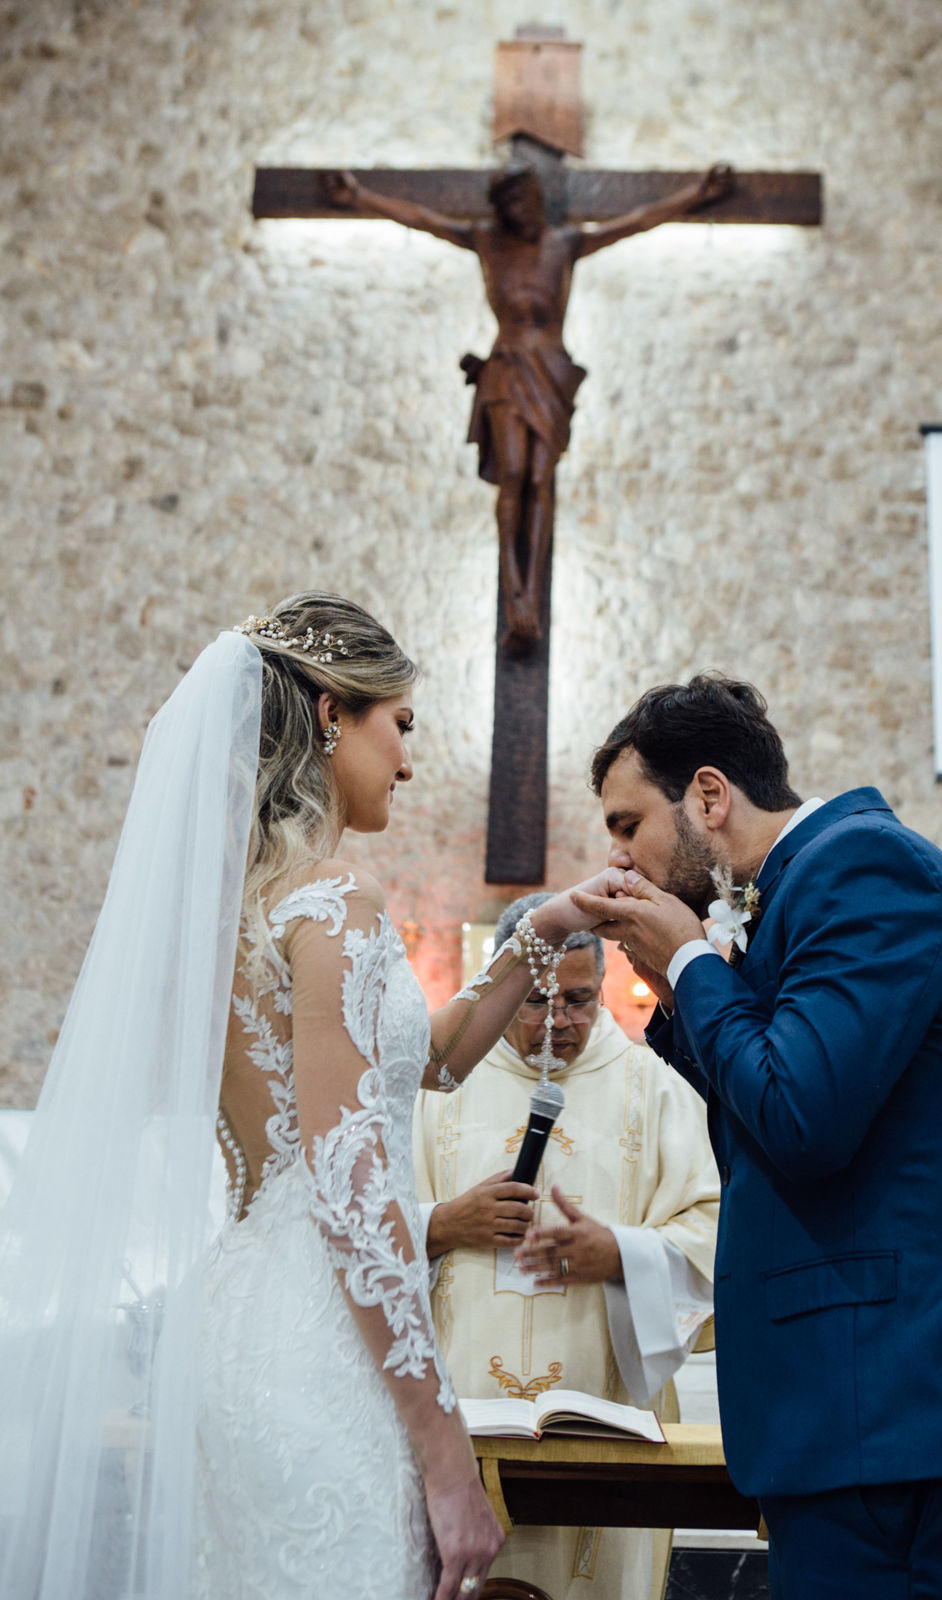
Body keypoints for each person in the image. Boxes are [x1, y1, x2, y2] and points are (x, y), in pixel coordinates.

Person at [0, 592, 620, 1600]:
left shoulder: (233, 912)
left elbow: (431, 1060)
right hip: (321, 1348)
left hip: (241, 1322)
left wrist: (538, 931)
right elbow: (344, 1178)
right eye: (400, 723)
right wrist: (442, 1449)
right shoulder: (335, 904)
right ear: (332, 713)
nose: (410, 760)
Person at [570, 674, 942, 1600]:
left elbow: (802, 1116)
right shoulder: (798, 888)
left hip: (900, 1405)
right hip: (855, 1412)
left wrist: (685, 959)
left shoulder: (863, 867)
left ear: (708, 795)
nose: (618, 858)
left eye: (627, 823)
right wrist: (685, 991)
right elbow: (767, 1109)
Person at [413, 894, 720, 1600]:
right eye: (533, 1001)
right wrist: (443, 1222)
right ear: (504, 982)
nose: (556, 1022)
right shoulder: (435, 1086)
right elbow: (358, 1225)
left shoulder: (654, 1087)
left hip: (604, 1429)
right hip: (460, 1424)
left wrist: (619, 1255)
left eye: (578, 999)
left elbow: (714, 1231)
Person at [327, 162, 733, 651]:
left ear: (538, 198)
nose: (522, 211)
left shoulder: (566, 244)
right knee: (514, 473)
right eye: (513, 204)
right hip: (506, 367)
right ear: (501, 209)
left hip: (551, 373)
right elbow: (419, 217)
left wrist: (695, 193)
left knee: (540, 479)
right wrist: (358, 197)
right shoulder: (486, 241)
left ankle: (530, 599)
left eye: (528, 200)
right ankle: (514, 590)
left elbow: (640, 218)